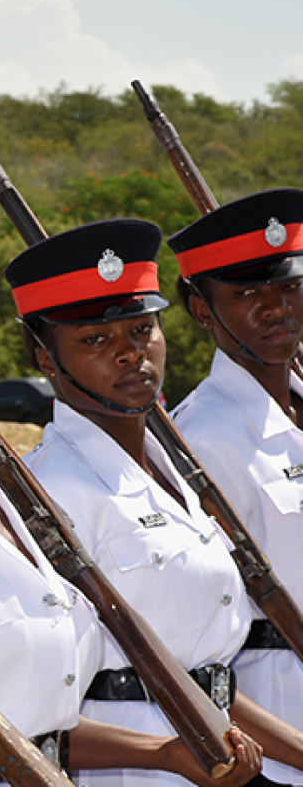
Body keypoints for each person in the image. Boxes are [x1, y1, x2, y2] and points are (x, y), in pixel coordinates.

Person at [7, 219, 303, 787]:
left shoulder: (175, 471)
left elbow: (201, 673)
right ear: (46, 360)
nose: (129, 355)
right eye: (96, 340)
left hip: (223, 752)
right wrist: (163, 754)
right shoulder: (50, 493)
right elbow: (37, 710)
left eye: (142, 330)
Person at [170, 188, 303, 786]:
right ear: (203, 312)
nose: (277, 308)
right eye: (247, 295)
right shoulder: (203, 437)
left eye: (290, 286)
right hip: (279, 720)